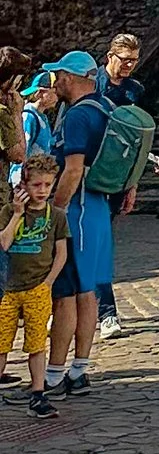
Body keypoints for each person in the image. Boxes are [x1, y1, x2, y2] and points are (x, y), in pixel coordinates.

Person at [40, 51, 111, 399]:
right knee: (89, 294)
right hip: (97, 208)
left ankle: (53, 377)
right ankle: (79, 370)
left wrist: (56, 210)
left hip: (76, 211)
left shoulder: (79, 116)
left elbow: (74, 169)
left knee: (66, 295)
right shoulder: (106, 107)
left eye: (59, 76)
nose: (57, 82)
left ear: (70, 76)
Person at [2, 153, 65, 418]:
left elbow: (61, 252)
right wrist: (17, 214)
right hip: (7, 289)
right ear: (24, 186)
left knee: (36, 343)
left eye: (47, 185)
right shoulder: (7, 211)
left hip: (38, 288)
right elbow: (4, 243)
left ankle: (38, 393)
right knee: (2, 343)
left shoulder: (56, 216)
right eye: (36, 185)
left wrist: (48, 282)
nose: (42, 191)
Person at [92, 33, 146, 339]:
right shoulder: (91, 85)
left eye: (134, 61)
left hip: (114, 179)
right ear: (110, 56)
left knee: (99, 247)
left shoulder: (134, 90)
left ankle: (107, 314)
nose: (128, 66)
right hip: (84, 174)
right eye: (124, 60)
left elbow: (138, 138)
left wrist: (132, 183)